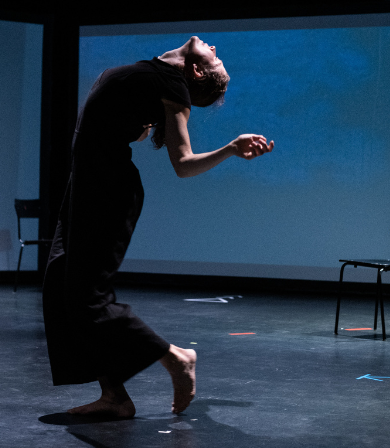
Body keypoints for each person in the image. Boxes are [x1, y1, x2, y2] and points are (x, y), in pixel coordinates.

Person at [42, 36, 273, 418]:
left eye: (216, 60)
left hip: (108, 190)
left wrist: (230, 148)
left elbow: (182, 163)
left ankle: (176, 358)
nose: (215, 48)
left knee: (88, 297)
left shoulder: (172, 85)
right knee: (59, 283)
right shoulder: (155, 75)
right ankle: (114, 396)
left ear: (196, 71)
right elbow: (131, 126)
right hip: (84, 185)